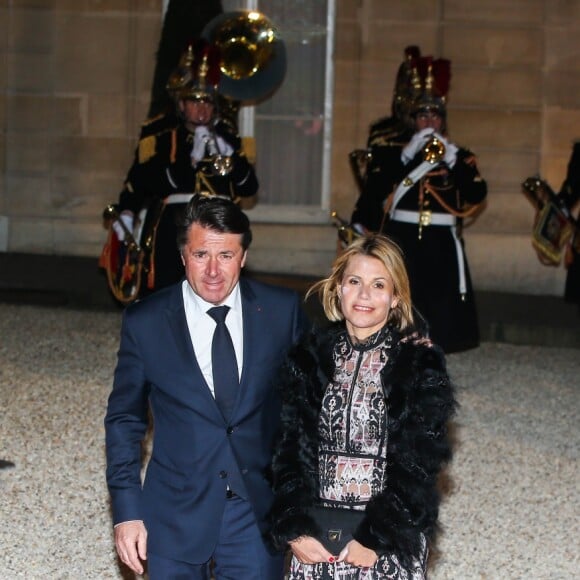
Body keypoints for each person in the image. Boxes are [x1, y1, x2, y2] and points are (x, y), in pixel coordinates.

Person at [104, 194, 307, 579]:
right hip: (173, 512)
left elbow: (312, 398)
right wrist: (127, 511)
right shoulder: (145, 322)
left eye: (226, 256)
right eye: (201, 255)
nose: (213, 270)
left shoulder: (281, 311)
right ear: (183, 255)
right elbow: (124, 421)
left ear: (243, 257)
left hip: (255, 512)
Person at [269, 234, 457, 579]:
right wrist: (294, 524)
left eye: (379, 284)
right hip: (315, 542)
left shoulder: (418, 365)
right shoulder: (308, 358)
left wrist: (376, 537)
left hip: (383, 542)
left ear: (396, 297)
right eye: (354, 281)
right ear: (338, 288)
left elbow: (420, 464)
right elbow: (287, 450)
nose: (364, 295)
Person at [351, 56, 487, 353]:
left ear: (442, 120)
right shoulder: (394, 154)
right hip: (404, 234)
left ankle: (439, 349)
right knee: (401, 293)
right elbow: (375, 188)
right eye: (423, 117)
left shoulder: (459, 156)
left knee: (441, 300)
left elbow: (476, 194)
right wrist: (407, 158)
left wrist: (452, 160)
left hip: (440, 238)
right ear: (414, 121)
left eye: (435, 117)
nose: (429, 123)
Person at [104, 40, 258, 299]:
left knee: (218, 283)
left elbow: (249, 187)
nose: (201, 109)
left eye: (207, 102)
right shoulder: (162, 138)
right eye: (194, 102)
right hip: (174, 223)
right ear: (182, 105)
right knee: (170, 286)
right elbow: (142, 182)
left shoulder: (228, 139)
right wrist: (127, 211)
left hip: (220, 221)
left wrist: (230, 156)